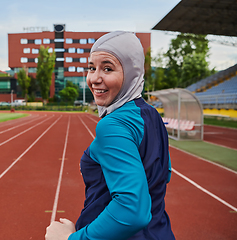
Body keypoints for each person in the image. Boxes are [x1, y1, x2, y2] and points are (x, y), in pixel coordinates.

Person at [45, 31, 175, 240]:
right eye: (91, 68)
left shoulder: (113, 124)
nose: (95, 78)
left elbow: (133, 212)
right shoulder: (151, 115)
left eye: (107, 68)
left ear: (132, 72)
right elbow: (162, 175)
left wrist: (71, 239)